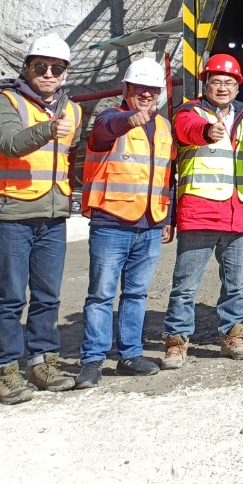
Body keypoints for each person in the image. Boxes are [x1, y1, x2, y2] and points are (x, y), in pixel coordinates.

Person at [0, 33, 83, 404]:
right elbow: (10, 143)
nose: (49, 73)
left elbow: (68, 158)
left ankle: (43, 362)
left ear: (65, 72)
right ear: (27, 67)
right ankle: (5, 370)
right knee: (10, 298)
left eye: (57, 68)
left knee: (47, 296)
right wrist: (46, 129)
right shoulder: (3, 103)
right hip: (11, 212)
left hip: (52, 214)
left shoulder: (73, 111)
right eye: (41, 66)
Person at [76, 57, 175, 388]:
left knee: (136, 294)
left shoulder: (164, 127)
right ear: (126, 89)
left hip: (150, 223)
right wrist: (128, 120)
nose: (146, 94)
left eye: (152, 90)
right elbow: (107, 129)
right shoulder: (108, 118)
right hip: (111, 222)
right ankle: (93, 360)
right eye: (139, 88)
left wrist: (166, 218)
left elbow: (166, 176)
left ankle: (130, 354)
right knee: (101, 294)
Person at [161, 53, 243, 369]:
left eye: (228, 82)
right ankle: (176, 343)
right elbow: (187, 130)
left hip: (236, 211)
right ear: (206, 84)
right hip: (199, 212)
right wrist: (207, 131)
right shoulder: (189, 112)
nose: (222, 87)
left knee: (235, 285)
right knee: (185, 286)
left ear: (237, 86)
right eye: (216, 81)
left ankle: (233, 337)